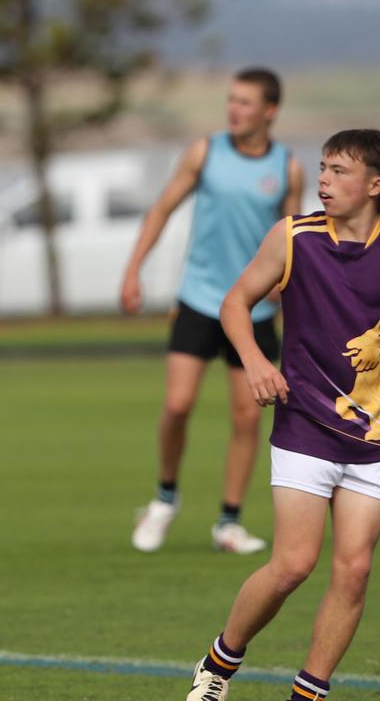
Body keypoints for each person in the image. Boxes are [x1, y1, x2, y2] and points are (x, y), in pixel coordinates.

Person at [185, 129, 380, 701]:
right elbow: (234, 302)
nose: (322, 181)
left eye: (338, 172)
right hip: (303, 426)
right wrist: (256, 360)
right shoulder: (292, 237)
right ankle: (219, 664)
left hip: (372, 432)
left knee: (355, 570)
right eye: (321, 168)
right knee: (293, 565)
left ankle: (308, 693)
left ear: (375, 185)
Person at [120, 67, 305, 554]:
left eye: (245, 102)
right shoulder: (206, 152)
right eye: (231, 100)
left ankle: (228, 522)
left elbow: (293, 235)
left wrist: (283, 284)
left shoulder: (287, 167)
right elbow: (161, 209)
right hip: (199, 300)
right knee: (178, 404)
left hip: (253, 312)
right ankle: (164, 499)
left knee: (247, 418)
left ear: (269, 111)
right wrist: (133, 269)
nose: (234, 109)